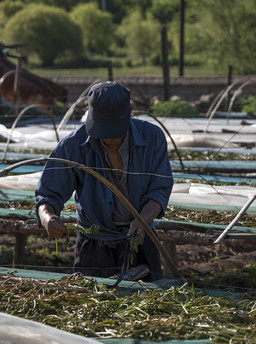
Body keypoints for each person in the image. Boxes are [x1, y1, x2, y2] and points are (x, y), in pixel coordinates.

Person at [35, 81, 173, 282]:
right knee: (94, 303)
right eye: (102, 129)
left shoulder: (152, 138)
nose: (108, 138)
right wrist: (47, 217)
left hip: (141, 239)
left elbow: (160, 189)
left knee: (146, 307)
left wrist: (142, 220)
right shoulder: (73, 146)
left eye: (114, 131)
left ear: (130, 113)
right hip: (94, 246)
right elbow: (48, 193)